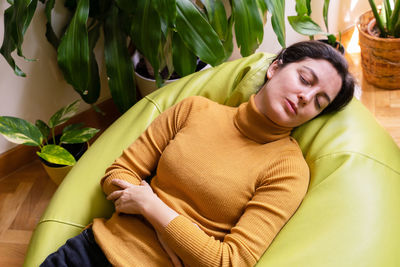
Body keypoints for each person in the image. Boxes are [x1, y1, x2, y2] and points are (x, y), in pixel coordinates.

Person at [41, 41, 355, 267]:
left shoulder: (287, 169)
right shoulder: (195, 110)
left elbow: (230, 262)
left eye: (319, 101)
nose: (305, 97)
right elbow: (118, 174)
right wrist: (168, 231)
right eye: (305, 79)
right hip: (90, 252)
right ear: (275, 68)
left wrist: (150, 205)